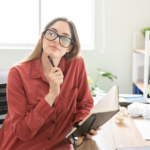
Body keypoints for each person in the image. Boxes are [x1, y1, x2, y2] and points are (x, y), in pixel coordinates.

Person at [0, 17, 101, 150]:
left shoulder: (76, 65)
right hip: (23, 146)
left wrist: (82, 125)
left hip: (60, 144)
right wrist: (51, 95)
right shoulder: (17, 73)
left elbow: (85, 104)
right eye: (52, 33)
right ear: (43, 37)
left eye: (64, 38)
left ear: (70, 47)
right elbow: (22, 132)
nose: (56, 40)